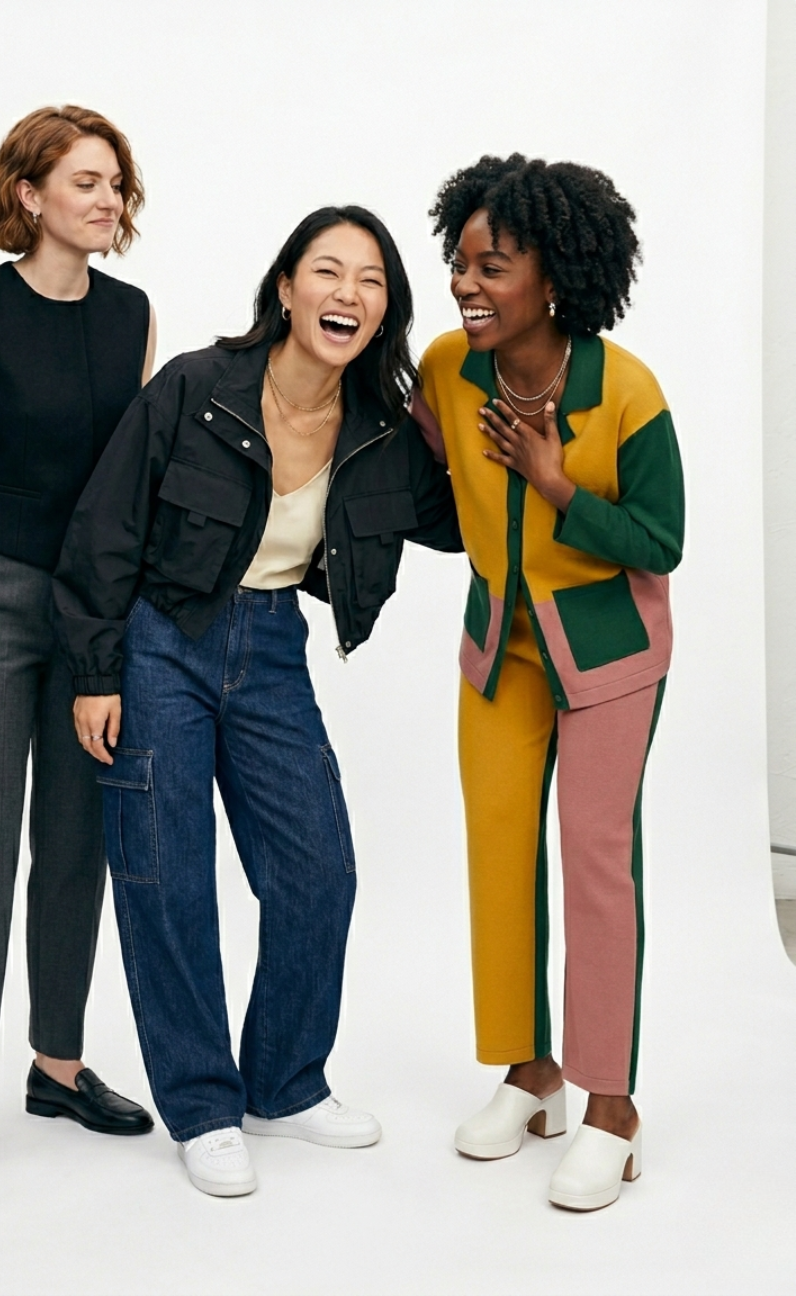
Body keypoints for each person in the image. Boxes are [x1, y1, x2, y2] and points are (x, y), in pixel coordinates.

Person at [53, 206, 462, 1196]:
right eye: (328, 272)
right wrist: (99, 671)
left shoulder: (376, 428)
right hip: (163, 639)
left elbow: (452, 520)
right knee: (168, 873)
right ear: (286, 289)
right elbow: (104, 529)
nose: (348, 295)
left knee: (320, 870)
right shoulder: (197, 386)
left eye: (370, 282)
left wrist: (481, 429)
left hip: (273, 645)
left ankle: (283, 1084)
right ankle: (201, 1103)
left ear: (383, 312)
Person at [413, 155, 684, 1211]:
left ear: (555, 274)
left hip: (610, 653)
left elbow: (663, 539)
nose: (468, 284)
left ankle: (610, 1108)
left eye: (495, 265)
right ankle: (531, 1078)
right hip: (500, 653)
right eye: (459, 263)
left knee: (594, 863)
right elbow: (420, 476)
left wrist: (557, 484)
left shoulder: (626, 389)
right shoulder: (448, 367)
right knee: (498, 850)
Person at [0, 105, 156, 1199]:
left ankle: (57, 1064)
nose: (110, 202)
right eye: (90, 182)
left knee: (76, 843)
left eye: (118, 187)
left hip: (92, 610)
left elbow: (131, 483)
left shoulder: (134, 314)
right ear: (30, 196)